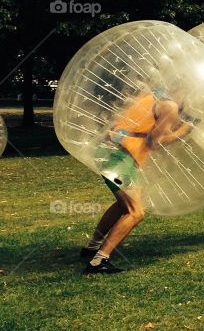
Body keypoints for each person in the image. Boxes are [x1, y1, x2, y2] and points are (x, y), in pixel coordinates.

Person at [80, 88, 194, 274]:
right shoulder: (170, 106)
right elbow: (154, 143)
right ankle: (98, 261)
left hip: (111, 152)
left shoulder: (148, 95)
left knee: (123, 205)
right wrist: (183, 130)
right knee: (136, 212)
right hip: (121, 157)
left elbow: (139, 126)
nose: (189, 101)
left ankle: (92, 247)